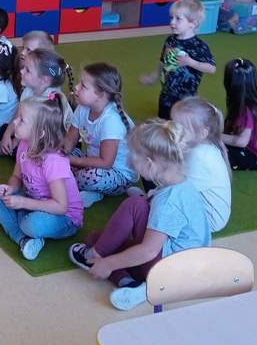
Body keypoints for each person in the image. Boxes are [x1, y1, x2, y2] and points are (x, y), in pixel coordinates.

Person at [67, 120, 211, 311]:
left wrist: (109, 264)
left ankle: (106, 262)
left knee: (132, 207)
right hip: (191, 268)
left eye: (133, 160)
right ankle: (129, 283)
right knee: (100, 238)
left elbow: (148, 251)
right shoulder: (184, 185)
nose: (131, 164)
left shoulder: (168, 202)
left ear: (150, 164)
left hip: (168, 271)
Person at [0, 98, 83, 260]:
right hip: (35, 202)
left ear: (40, 132)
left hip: (65, 218)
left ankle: (12, 220)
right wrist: (10, 189)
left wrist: (23, 203)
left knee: (31, 224)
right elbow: (16, 176)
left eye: (21, 120)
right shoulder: (24, 144)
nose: (15, 122)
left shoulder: (53, 160)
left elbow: (61, 207)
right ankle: (23, 239)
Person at [64, 63, 136, 207]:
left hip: (117, 174)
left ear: (100, 94)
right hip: (91, 160)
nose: (76, 87)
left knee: (92, 176)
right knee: (55, 156)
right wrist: (59, 154)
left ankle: (87, 189)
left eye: (83, 86)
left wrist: (70, 161)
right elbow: (69, 141)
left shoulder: (111, 120)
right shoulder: (83, 108)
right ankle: (72, 182)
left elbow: (106, 163)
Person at [139, 0, 216, 119]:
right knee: (164, 121)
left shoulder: (199, 46)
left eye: (178, 19)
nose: (172, 22)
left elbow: (211, 68)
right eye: (172, 18)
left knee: (181, 122)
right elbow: (163, 61)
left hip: (186, 97)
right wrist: (154, 76)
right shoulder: (170, 40)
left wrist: (190, 62)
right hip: (167, 93)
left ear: (193, 23)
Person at [0, 48, 74, 156]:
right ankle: (11, 148)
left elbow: (41, 132)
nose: (21, 71)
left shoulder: (49, 99)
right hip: (33, 130)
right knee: (4, 129)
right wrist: (6, 135)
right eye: (24, 67)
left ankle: (10, 150)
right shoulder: (28, 91)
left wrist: (16, 141)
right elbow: (18, 117)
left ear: (43, 80)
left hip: (52, 140)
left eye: (27, 70)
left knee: (26, 147)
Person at [171, 96, 232, 232]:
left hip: (208, 220)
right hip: (203, 209)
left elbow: (176, 191)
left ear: (202, 134)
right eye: (174, 124)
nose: (173, 131)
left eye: (182, 128)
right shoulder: (201, 146)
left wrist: (151, 197)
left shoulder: (199, 156)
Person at [221, 58, 257, 171]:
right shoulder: (252, 101)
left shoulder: (246, 110)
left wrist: (215, 136)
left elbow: (241, 142)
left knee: (216, 153)